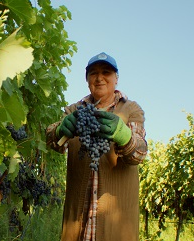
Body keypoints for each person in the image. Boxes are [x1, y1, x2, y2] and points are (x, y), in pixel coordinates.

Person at [46, 52, 148, 241]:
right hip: (77, 224)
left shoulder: (131, 109)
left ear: (116, 78)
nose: (99, 78)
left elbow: (139, 153)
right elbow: (52, 140)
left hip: (115, 229)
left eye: (106, 72)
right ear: (87, 79)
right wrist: (59, 131)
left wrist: (125, 137)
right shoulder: (75, 110)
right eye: (93, 73)